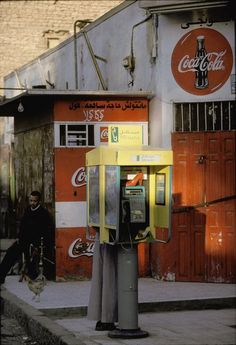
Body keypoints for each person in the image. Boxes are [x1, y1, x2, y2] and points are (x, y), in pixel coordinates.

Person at [0, 191, 54, 284]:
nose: (32, 203)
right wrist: (19, 238)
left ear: (39, 201)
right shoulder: (28, 210)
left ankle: (32, 274)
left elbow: (47, 231)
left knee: (30, 254)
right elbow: (22, 226)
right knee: (10, 252)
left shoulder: (43, 213)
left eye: (34, 201)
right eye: (31, 200)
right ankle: (1, 276)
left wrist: (38, 244)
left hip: (35, 242)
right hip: (24, 240)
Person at [87, 231, 118, 331]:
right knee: (109, 276)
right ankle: (107, 318)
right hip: (111, 238)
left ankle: (103, 317)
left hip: (103, 237)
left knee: (102, 276)